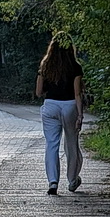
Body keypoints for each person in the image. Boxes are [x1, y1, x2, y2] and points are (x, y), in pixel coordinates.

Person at [36, 32, 84, 195]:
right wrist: (80, 115)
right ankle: (72, 180)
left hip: (50, 106)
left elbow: (38, 92)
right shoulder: (75, 66)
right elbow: (77, 94)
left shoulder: (46, 65)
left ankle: (53, 182)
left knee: (51, 144)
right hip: (70, 105)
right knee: (71, 143)